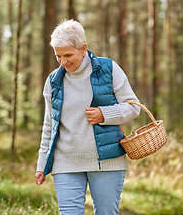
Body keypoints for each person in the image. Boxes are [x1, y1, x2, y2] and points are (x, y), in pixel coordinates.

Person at [35, 19, 140, 215]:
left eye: (68, 55)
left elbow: (133, 107)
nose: (63, 62)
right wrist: (42, 164)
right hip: (65, 161)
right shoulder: (53, 81)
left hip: (107, 161)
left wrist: (104, 114)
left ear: (83, 49)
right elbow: (49, 125)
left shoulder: (108, 69)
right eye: (58, 56)